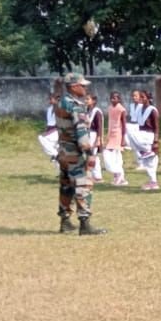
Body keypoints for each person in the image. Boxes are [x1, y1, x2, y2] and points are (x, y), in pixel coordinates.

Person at [54, 73, 105, 236]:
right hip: (74, 154)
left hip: (63, 151)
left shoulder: (61, 102)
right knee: (83, 185)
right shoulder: (76, 106)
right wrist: (90, 153)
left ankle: (65, 221)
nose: (85, 88)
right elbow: (81, 132)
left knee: (66, 187)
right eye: (82, 85)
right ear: (74, 86)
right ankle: (85, 224)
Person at [126, 90, 161, 190]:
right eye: (140, 97)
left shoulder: (152, 110)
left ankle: (147, 151)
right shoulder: (140, 109)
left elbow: (156, 127)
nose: (141, 99)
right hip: (142, 136)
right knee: (148, 161)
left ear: (148, 98)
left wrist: (156, 141)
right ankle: (153, 182)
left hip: (149, 136)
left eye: (143, 97)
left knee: (130, 131)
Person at [102, 91, 128, 186]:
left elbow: (124, 125)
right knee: (114, 156)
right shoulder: (110, 108)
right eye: (111, 98)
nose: (112, 99)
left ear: (119, 99)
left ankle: (119, 173)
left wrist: (123, 138)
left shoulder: (121, 109)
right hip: (110, 134)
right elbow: (110, 122)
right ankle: (119, 177)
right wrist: (107, 135)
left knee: (109, 154)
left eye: (115, 98)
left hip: (118, 134)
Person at [38, 93, 61, 172]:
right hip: (50, 130)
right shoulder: (49, 109)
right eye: (49, 99)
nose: (49, 100)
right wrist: (47, 131)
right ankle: (61, 172)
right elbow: (49, 123)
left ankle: (55, 155)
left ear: (56, 100)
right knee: (53, 149)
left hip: (57, 130)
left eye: (51, 99)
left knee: (41, 137)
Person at [86, 94, 105, 183]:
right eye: (85, 99)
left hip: (94, 135)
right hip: (88, 134)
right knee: (92, 156)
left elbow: (99, 127)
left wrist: (98, 139)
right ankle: (97, 176)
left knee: (92, 155)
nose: (86, 101)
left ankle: (95, 176)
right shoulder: (87, 110)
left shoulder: (97, 112)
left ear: (93, 101)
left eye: (88, 99)